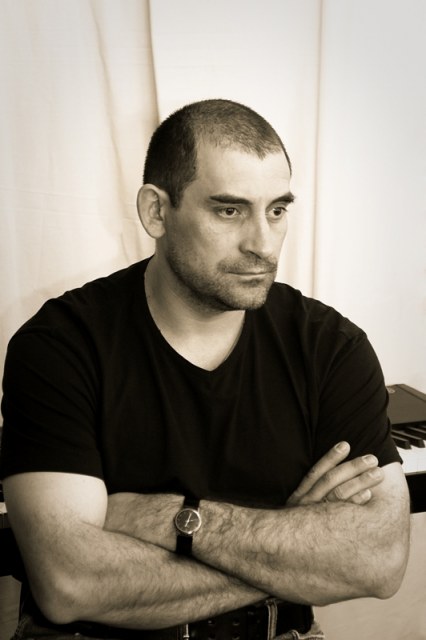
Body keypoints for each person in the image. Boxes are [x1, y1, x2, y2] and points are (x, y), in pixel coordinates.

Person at [0, 99, 410, 640]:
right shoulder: (60, 347)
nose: (262, 244)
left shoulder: (330, 346)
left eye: (277, 211)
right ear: (156, 211)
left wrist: (176, 520)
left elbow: (379, 559)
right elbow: (70, 582)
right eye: (229, 211)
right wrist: (294, 550)